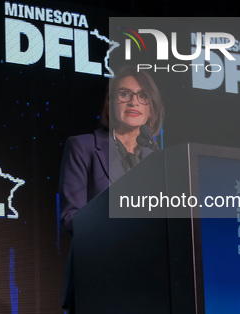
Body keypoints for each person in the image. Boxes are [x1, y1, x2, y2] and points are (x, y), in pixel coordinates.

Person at [59, 67, 164, 311]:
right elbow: (70, 218)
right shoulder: (82, 147)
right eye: (123, 94)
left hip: (149, 282)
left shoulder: (158, 158)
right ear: (109, 103)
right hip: (99, 278)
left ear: (151, 109)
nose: (133, 101)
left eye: (142, 96)